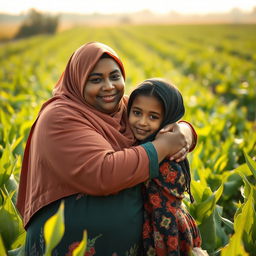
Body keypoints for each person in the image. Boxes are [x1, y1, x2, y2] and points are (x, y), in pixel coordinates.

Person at [16, 42, 197, 256]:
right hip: (64, 248)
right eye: (95, 80)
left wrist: (186, 132)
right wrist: (165, 145)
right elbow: (103, 172)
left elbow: (167, 121)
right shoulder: (58, 117)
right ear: (78, 80)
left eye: (114, 76)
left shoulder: (125, 110)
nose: (109, 86)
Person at [127, 79, 202, 256]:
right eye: (137, 113)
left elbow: (164, 215)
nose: (142, 122)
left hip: (166, 232)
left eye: (153, 117)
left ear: (168, 119)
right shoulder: (155, 144)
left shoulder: (164, 157)